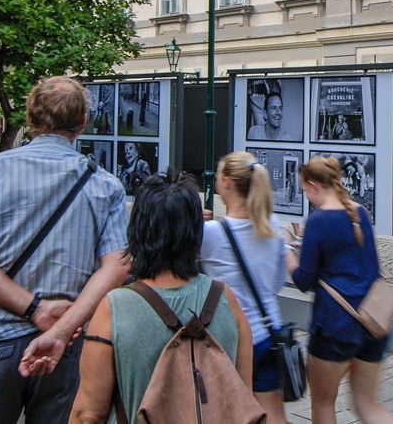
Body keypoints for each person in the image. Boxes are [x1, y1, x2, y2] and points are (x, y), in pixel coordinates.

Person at [0, 76, 130, 423]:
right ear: (82, 122)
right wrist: (58, 327)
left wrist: (34, 309)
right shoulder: (105, 185)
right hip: (69, 345)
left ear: (30, 118)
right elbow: (116, 266)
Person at [67, 171, 253, 423]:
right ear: (195, 232)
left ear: (138, 230)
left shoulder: (114, 308)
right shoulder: (226, 300)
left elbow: (88, 414)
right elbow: (243, 399)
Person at [285, 157, 393, 424]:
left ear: (313, 185)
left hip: (335, 325)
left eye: (305, 190)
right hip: (373, 322)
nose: (307, 197)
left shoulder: (318, 221)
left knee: (324, 405)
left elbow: (305, 280)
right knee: (367, 405)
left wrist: (288, 253)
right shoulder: (359, 213)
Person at [199, 152, 288, 424]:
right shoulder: (273, 226)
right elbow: (277, 283)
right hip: (270, 332)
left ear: (226, 182)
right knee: (274, 416)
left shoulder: (210, 233)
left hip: (232, 340)